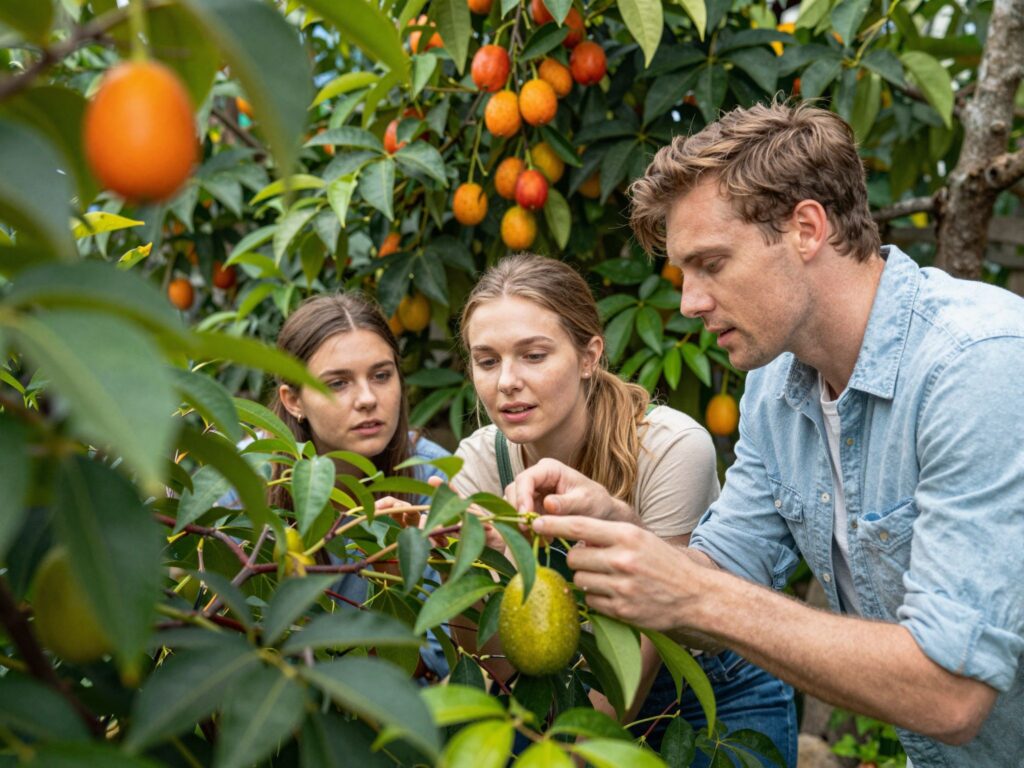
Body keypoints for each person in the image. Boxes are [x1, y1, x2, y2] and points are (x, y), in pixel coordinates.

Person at [509, 101, 1024, 767]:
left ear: (806, 228)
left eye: (711, 264)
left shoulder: (978, 364)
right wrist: (622, 533)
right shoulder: (776, 388)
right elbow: (728, 564)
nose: (689, 302)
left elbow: (952, 693)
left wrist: (695, 592)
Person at [452, 253, 797, 762]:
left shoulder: (671, 447)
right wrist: (455, 576)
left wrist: (566, 754)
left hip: (708, 691)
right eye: (487, 361)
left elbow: (643, 654)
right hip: (561, 685)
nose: (506, 381)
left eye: (534, 355)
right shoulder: (478, 463)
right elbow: (494, 661)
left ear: (590, 355)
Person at [271, 292, 451, 679]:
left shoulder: (428, 474)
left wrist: (394, 589)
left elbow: (436, 658)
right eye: (338, 383)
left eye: (382, 375)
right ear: (293, 400)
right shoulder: (247, 480)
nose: (368, 399)